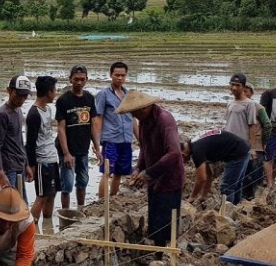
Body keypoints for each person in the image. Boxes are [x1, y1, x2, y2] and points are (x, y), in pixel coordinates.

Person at [117, 91, 184, 247]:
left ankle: (166, 256)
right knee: (155, 217)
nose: (133, 115)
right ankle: (158, 251)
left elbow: (174, 152)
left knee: (167, 220)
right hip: (154, 178)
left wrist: (148, 172)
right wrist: (139, 168)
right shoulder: (144, 122)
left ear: (144, 108)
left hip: (169, 178)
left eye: (134, 112)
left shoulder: (164, 120)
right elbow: (144, 147)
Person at [55, 65, 101, 209]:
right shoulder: (63, 100)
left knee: (82, 181)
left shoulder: (89, 98)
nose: (79, 82)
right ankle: (66, 213)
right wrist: (66, 153)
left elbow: (93, 124)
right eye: (76, 79)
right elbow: (61, 128)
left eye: (82, 79)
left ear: (87, 80)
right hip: (68, 149)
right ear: (70, 80)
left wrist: (97, 148)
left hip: (83, 148)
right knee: (67, 185)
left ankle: (80, 210)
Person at [92, 62, 138, 198]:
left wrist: (140, 139)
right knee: (107, 172)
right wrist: (96, 143)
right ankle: (101, 203)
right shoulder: (104, 95)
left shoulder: (128, 95)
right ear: (111, 75)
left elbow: (133, 119)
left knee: (119, 172)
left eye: (123, 75)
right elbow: (98, 119)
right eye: (117, 75)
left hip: (126, 139)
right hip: (111, 139)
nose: (120, 78)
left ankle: (111, 200)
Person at [181, 129, 251, 206]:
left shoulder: (196, 151)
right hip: (242, 148)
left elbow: (201, 179)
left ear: (182, 154)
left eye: (181, 160)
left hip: (238, 154)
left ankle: (228, 213)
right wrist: (202, 196)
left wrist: (192, 197)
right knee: (236, 184)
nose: (183, 162)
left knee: (227, 187)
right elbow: (208, 175)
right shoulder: (194, 143)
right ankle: (237, 208)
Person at [26, 76, 61, 223]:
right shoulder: (33, 114)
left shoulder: (47, 109)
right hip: (42, 161)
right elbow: (30, 143)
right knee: (42, 196)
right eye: (54, 91)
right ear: (48, 92)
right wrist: (32, 166)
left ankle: (48, 225)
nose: (55, 93)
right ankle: (31, 227)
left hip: (52, 157)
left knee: (51, 193)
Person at [0, 75, 33, 201]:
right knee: (11, 206)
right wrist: (0, 172)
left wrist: (26, 164)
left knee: (22, 204)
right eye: (19, 94)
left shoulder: (18, 111)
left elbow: (19, 140)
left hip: (19, 165)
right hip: (8, 169)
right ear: (9, 91)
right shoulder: (2, 115)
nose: (21, 99)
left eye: (25, 96)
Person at [224, 73, 257, 201]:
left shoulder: (249, 104)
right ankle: (235, 208)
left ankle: (229, 209)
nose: (234, 88)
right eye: (232, 85)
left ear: (243, 87)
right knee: (236, 181)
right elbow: (228, 124)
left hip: (241, 147)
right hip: (229, 146)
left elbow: (252, 127)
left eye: (237, 85)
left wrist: (252, 148)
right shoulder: (230, 104)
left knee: (231, 184)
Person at [242, 83, 272, 201]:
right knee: (243, 174)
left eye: (247, 91)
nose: (244, 94)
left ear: (252, 93)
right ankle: (243, 198)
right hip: (242, 145)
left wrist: (264, 141)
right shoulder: (237, 107)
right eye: (242, 91)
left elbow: (268, 125)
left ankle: (255, 200)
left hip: (257, 146)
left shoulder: (258, 108)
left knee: (255, 175)